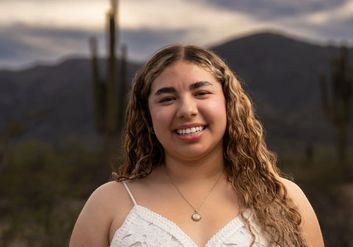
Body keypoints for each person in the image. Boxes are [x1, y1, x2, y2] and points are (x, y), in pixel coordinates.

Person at [69, 45, 324, 247]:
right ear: (147, 116)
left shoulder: (284, 199)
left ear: (228, 103)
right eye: (167, 99)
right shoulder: (109, 204)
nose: (187, 110)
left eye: (201, 93)